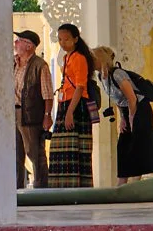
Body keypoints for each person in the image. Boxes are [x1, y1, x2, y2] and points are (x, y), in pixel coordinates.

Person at [92, 46, 153, 185]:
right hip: (127, 110)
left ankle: (135, 183)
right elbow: (116, 97)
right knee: (123, 145)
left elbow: (132, 97)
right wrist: (123, 117)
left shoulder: (117, 74)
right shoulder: (102, 76)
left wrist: (132, 117)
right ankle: (121, 182)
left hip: (139, 109)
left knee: (137, 145)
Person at [47, 24, 96, 188]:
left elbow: (80, 86)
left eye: (66, 39)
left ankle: (77, 186)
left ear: (75, 39)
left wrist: (69, 112)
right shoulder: (66, 58)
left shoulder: (79, 58)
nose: (62, 42)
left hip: (76, 106)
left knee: (75, 148)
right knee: (61, 149)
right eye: (60, 39)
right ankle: (61, 186)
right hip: (64, 104)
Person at [14, 30, 53, 189]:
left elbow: (47, 94)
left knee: (34, 152)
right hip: (14, 113)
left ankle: (41, 187)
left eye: (19, 41)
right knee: (15, 154)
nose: (15, 43)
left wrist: (47, 115)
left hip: (30, 114)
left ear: (29, 46)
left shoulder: (40, 65)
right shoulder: (14, 62)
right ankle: (16, 189)